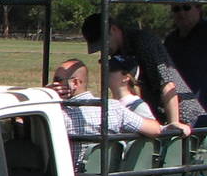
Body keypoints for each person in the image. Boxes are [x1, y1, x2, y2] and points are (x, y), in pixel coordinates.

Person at [79, 13, 205, 127]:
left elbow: (167, 83)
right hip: (159, 114)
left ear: (114, 29)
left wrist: (174, 123)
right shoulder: (120, 50)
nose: (104, 50)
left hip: (186, 117)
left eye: (104, 44)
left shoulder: (143, 42)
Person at [51, 58, 185, 163]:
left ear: (75, 83)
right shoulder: (114, 107)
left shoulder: (58, 113)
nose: (106, 72)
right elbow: (156, 129)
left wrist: (47, 95)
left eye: (58, 80)